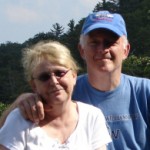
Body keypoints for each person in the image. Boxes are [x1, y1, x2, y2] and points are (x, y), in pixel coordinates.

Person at [1, 10, 150, 150]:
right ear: (81, 50)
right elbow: (7, 134)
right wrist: (20, 102)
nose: (102, 49)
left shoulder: (145, 91)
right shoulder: (62, 92)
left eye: (110, 42)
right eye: (94, 42)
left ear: (126, 50)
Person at [0, 41, 112, 150]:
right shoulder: (20, 120)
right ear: (34, 85)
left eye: (60, 73)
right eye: (44, 77)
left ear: (73, 76)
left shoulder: (92, 117)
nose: (54, 81)